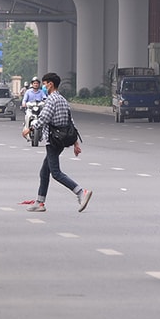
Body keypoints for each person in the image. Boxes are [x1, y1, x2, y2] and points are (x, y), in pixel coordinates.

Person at [21, 72, 92, 213]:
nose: (43, 86)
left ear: (50, 84)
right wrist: (76, 143)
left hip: (53, 140)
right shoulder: (63, 100)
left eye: (45, 84)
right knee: (44, 172)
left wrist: (29, 129)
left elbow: (43, 118)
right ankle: (40, 203)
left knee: (56, 172)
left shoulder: (51, 100)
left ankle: (80, 192)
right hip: (62, 139)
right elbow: (70, 122)